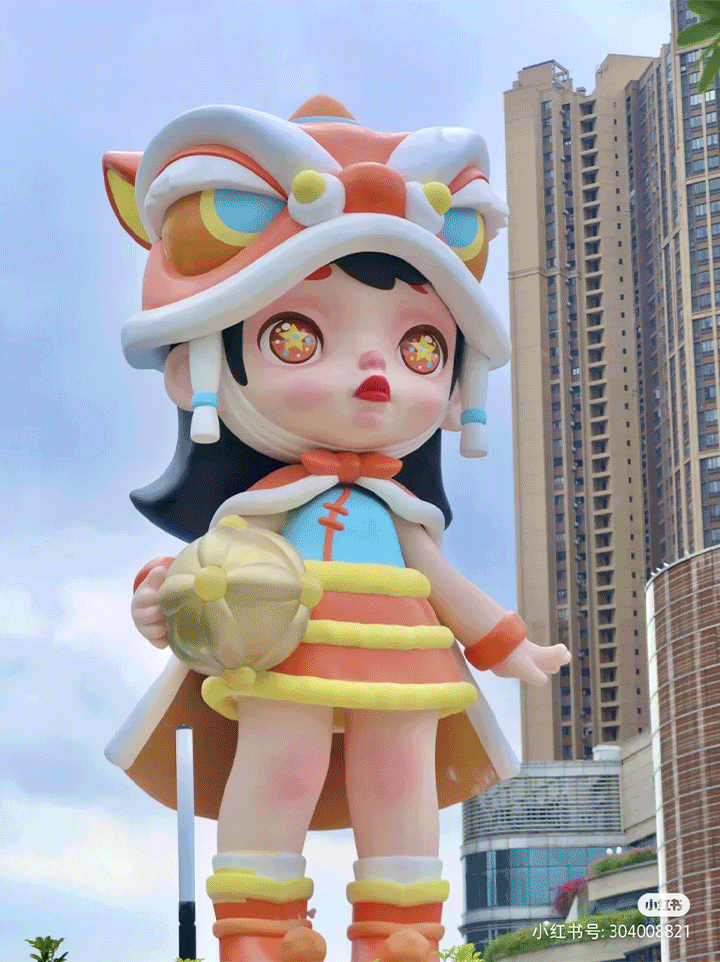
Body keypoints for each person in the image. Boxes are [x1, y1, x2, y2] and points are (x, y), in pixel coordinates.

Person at [103, 95, 571, 962]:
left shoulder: (400, 511)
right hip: (284, 650)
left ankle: (401, 932)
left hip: (406, 661)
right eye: (296, 336)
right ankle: (259, 928)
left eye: (420, 346)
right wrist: (157, 596)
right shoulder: (263, 507)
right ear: (197, 367)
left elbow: (441, 582)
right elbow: (204, 567)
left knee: (400, 779)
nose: (376, 370)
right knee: (280, 766)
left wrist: (509, 646)